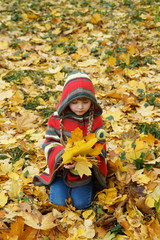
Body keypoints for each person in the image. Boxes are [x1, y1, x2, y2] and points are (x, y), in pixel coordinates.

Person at [33, 71, 107, 210]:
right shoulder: (56, 118)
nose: (80, 107)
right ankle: (60, 185)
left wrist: (81, 159)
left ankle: (89, 185)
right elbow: (50, 142)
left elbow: (99, 146)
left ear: (92, 100)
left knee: (81, 204)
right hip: (60, 168)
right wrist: (64, 155)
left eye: (85, 102)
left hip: (84, 171)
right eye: (75, 102)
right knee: (58, 203)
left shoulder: (95, 119)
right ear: (67, 100)